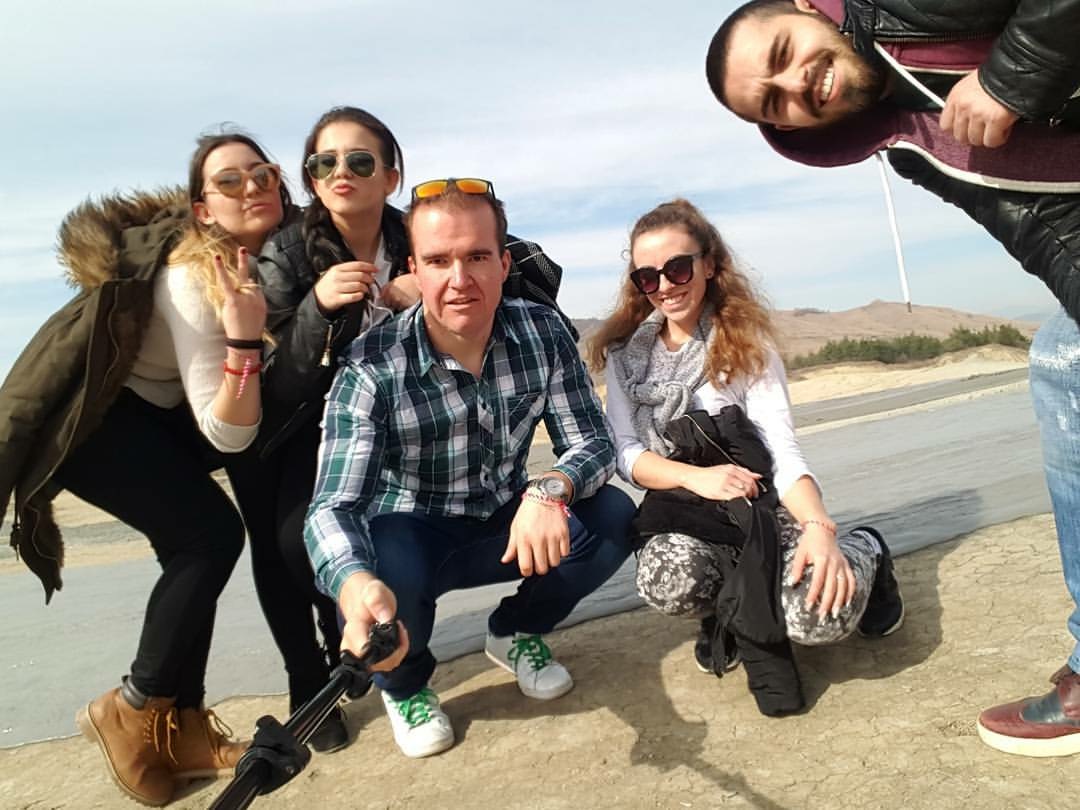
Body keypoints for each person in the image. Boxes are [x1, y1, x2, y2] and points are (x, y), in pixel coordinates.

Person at [706, 0, 1080, 753]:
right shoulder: (909, 141)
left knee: (1059, 365)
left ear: (808, 7)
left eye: (783, 52)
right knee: (1062, 360)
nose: (795, 85)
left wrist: (1008, 79)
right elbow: (1041, 230)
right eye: (773, 103)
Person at [247, 106, 579, 751]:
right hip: (312, 416)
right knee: (323, 546)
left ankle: (506, 631)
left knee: (608, 516)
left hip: (435, 412)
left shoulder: (419, 232)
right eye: (324, 163)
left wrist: (423, 287)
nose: (341, 173)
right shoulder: (288, 253)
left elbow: (482, 268)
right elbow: (283, 381)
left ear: (391, 175)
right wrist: (319, 308)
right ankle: (363, 672)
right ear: (310, 178)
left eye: (359, 160)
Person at [0, 131, 288, 805]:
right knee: (210, 537)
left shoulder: (269, 257)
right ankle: (131, 705)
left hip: (149, 422)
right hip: (98, 430)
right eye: (230, 181)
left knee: (193, 547)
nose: (251, 187)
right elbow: (225, 429)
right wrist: (245, 340)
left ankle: (180, 726)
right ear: (202, 209)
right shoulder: (195, 276)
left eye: (264, 174)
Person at [303, 178, 636, 759]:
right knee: (377, 563)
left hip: (504, 520)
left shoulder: (542, 331)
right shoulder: (370, 365)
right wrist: (354, 586)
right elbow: (333, 506)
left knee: (611, 517)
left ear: (504, 264)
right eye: (439, 261)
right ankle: (405, 685)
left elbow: (592, 441)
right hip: (413, 534)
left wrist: (549, 491)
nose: (460, 279)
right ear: (415, 269)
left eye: (477, 257)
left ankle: (515, 631)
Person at [588, 198, 902, 716]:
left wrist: (819, 528)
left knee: (816, 619)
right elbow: (626, 452)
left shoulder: (743, 343)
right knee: (666, 582)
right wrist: (699, 478)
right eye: (647, 276)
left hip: (761, 506)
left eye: (678, 268)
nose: (664, 285)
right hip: (685, 509)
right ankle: (725, 610)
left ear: (710, 265)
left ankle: (867, 549)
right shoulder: (626, 358)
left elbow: (781, 448)